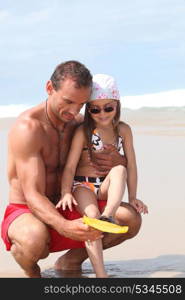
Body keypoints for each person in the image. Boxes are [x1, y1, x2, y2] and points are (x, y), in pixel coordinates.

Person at [1, 60, 144, 278]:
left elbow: (100, 163)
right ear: (50, 88)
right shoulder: (29, 128)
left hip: (70, 201)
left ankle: (70, 262)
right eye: (68, 102)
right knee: (33, 239)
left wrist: (119, 161)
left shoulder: (78, 124)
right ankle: (32, 273)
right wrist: (65, 226)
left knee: (130, 218)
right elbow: (32, 195)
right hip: (28, 210)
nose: (73, 111)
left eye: (81, 104)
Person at [56, 74, 148, 277]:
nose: (102, 113)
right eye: (95, 109)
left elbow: (131, 164)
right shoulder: (83, 132)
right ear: (89, 109)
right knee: (92, 221)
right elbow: (70, 167)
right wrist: (65, 192)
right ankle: (101, 275)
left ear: (117, 105)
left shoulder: (123, 130)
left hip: (105, 186)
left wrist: (133, 197)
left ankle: (109, 214)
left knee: (120, 169)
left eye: (108, 108)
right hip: (83, 186)